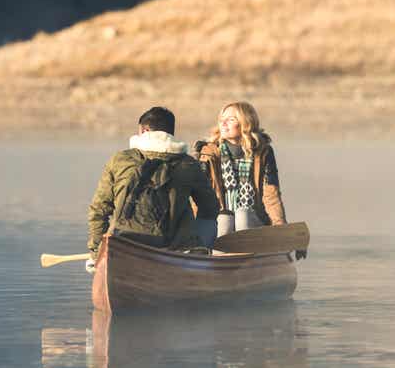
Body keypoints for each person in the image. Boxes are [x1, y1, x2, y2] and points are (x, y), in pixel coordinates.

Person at [87, 106, 220, 268]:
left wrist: (97, 253)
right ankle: (197, 260)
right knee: (205, 217)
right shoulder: (188, 164)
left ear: (143, 130)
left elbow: (99, 210)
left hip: (124, 244)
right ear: (170, 133)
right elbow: (211, 208)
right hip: (175, 248)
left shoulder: (120, 160)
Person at [193, 101, 287, 229]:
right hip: (220, 222)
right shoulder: (208, 153)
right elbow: (198, 194)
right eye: (221, 119)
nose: (223, 123)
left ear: (246, 123)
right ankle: (223, 248)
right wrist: (191, 230)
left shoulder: (263, 152)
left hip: (253, 221)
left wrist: (279, 226)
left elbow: (271, 194)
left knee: (242, 214)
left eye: (231, 120)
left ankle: (244, 246)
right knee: (224, 218)